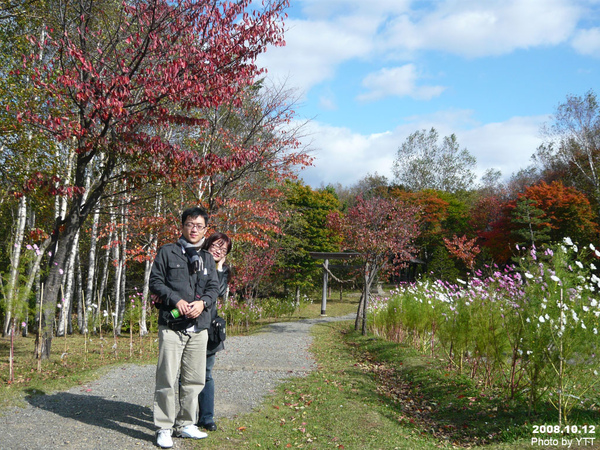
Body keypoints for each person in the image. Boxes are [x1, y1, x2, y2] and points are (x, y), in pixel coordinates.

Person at [149, 206, 219, 449]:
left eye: (199, 226)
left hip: (199, 328)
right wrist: (175, 299)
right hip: (172, 326)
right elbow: (155, 281)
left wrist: (203, 303)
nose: (194, 229)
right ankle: (164, 427)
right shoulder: (168, 252)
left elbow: (213, 289)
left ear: (205, 230)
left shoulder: (209, 258)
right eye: (190, 224)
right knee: (167, 379)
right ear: (182, 226)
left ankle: (186, 423)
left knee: (195, 379)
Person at [197, 232, 233, 432]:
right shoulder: (194, 261)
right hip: (191, 324)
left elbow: (218, 292)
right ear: (207, 244)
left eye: (224, 249)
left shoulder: (224, 270)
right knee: (189, 375)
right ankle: (187, 417)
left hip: (211, 329)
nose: (219, 250)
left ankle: (206, 417)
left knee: (206, 374)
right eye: (216, 245)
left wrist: (218, 268)